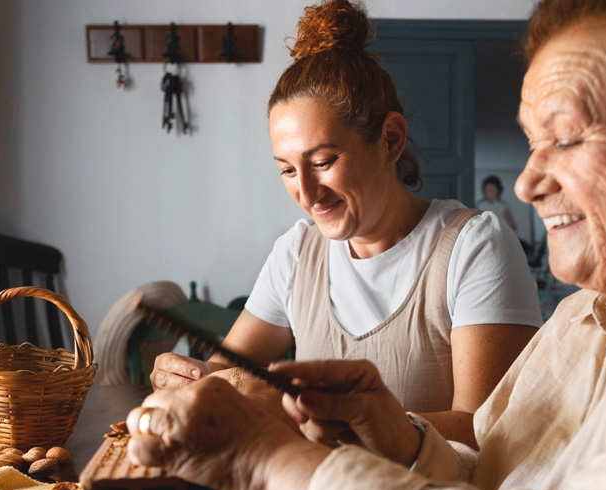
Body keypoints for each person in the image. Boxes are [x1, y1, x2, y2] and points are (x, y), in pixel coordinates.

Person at [125, 0, 606, 490]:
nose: (526, 182)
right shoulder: (586, 316)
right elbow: (496, 456)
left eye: (567, 139)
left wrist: (266, 463)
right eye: (532, 142)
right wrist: (391, 432)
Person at [149, 0, 541, 448]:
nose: (308, 194)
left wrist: (285, 406)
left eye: (323, 161)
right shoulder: (297, 254)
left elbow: (485, 431)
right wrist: (189, 377)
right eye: (288, 170)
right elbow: (223, 372)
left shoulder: (474, 247)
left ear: (390, 139)